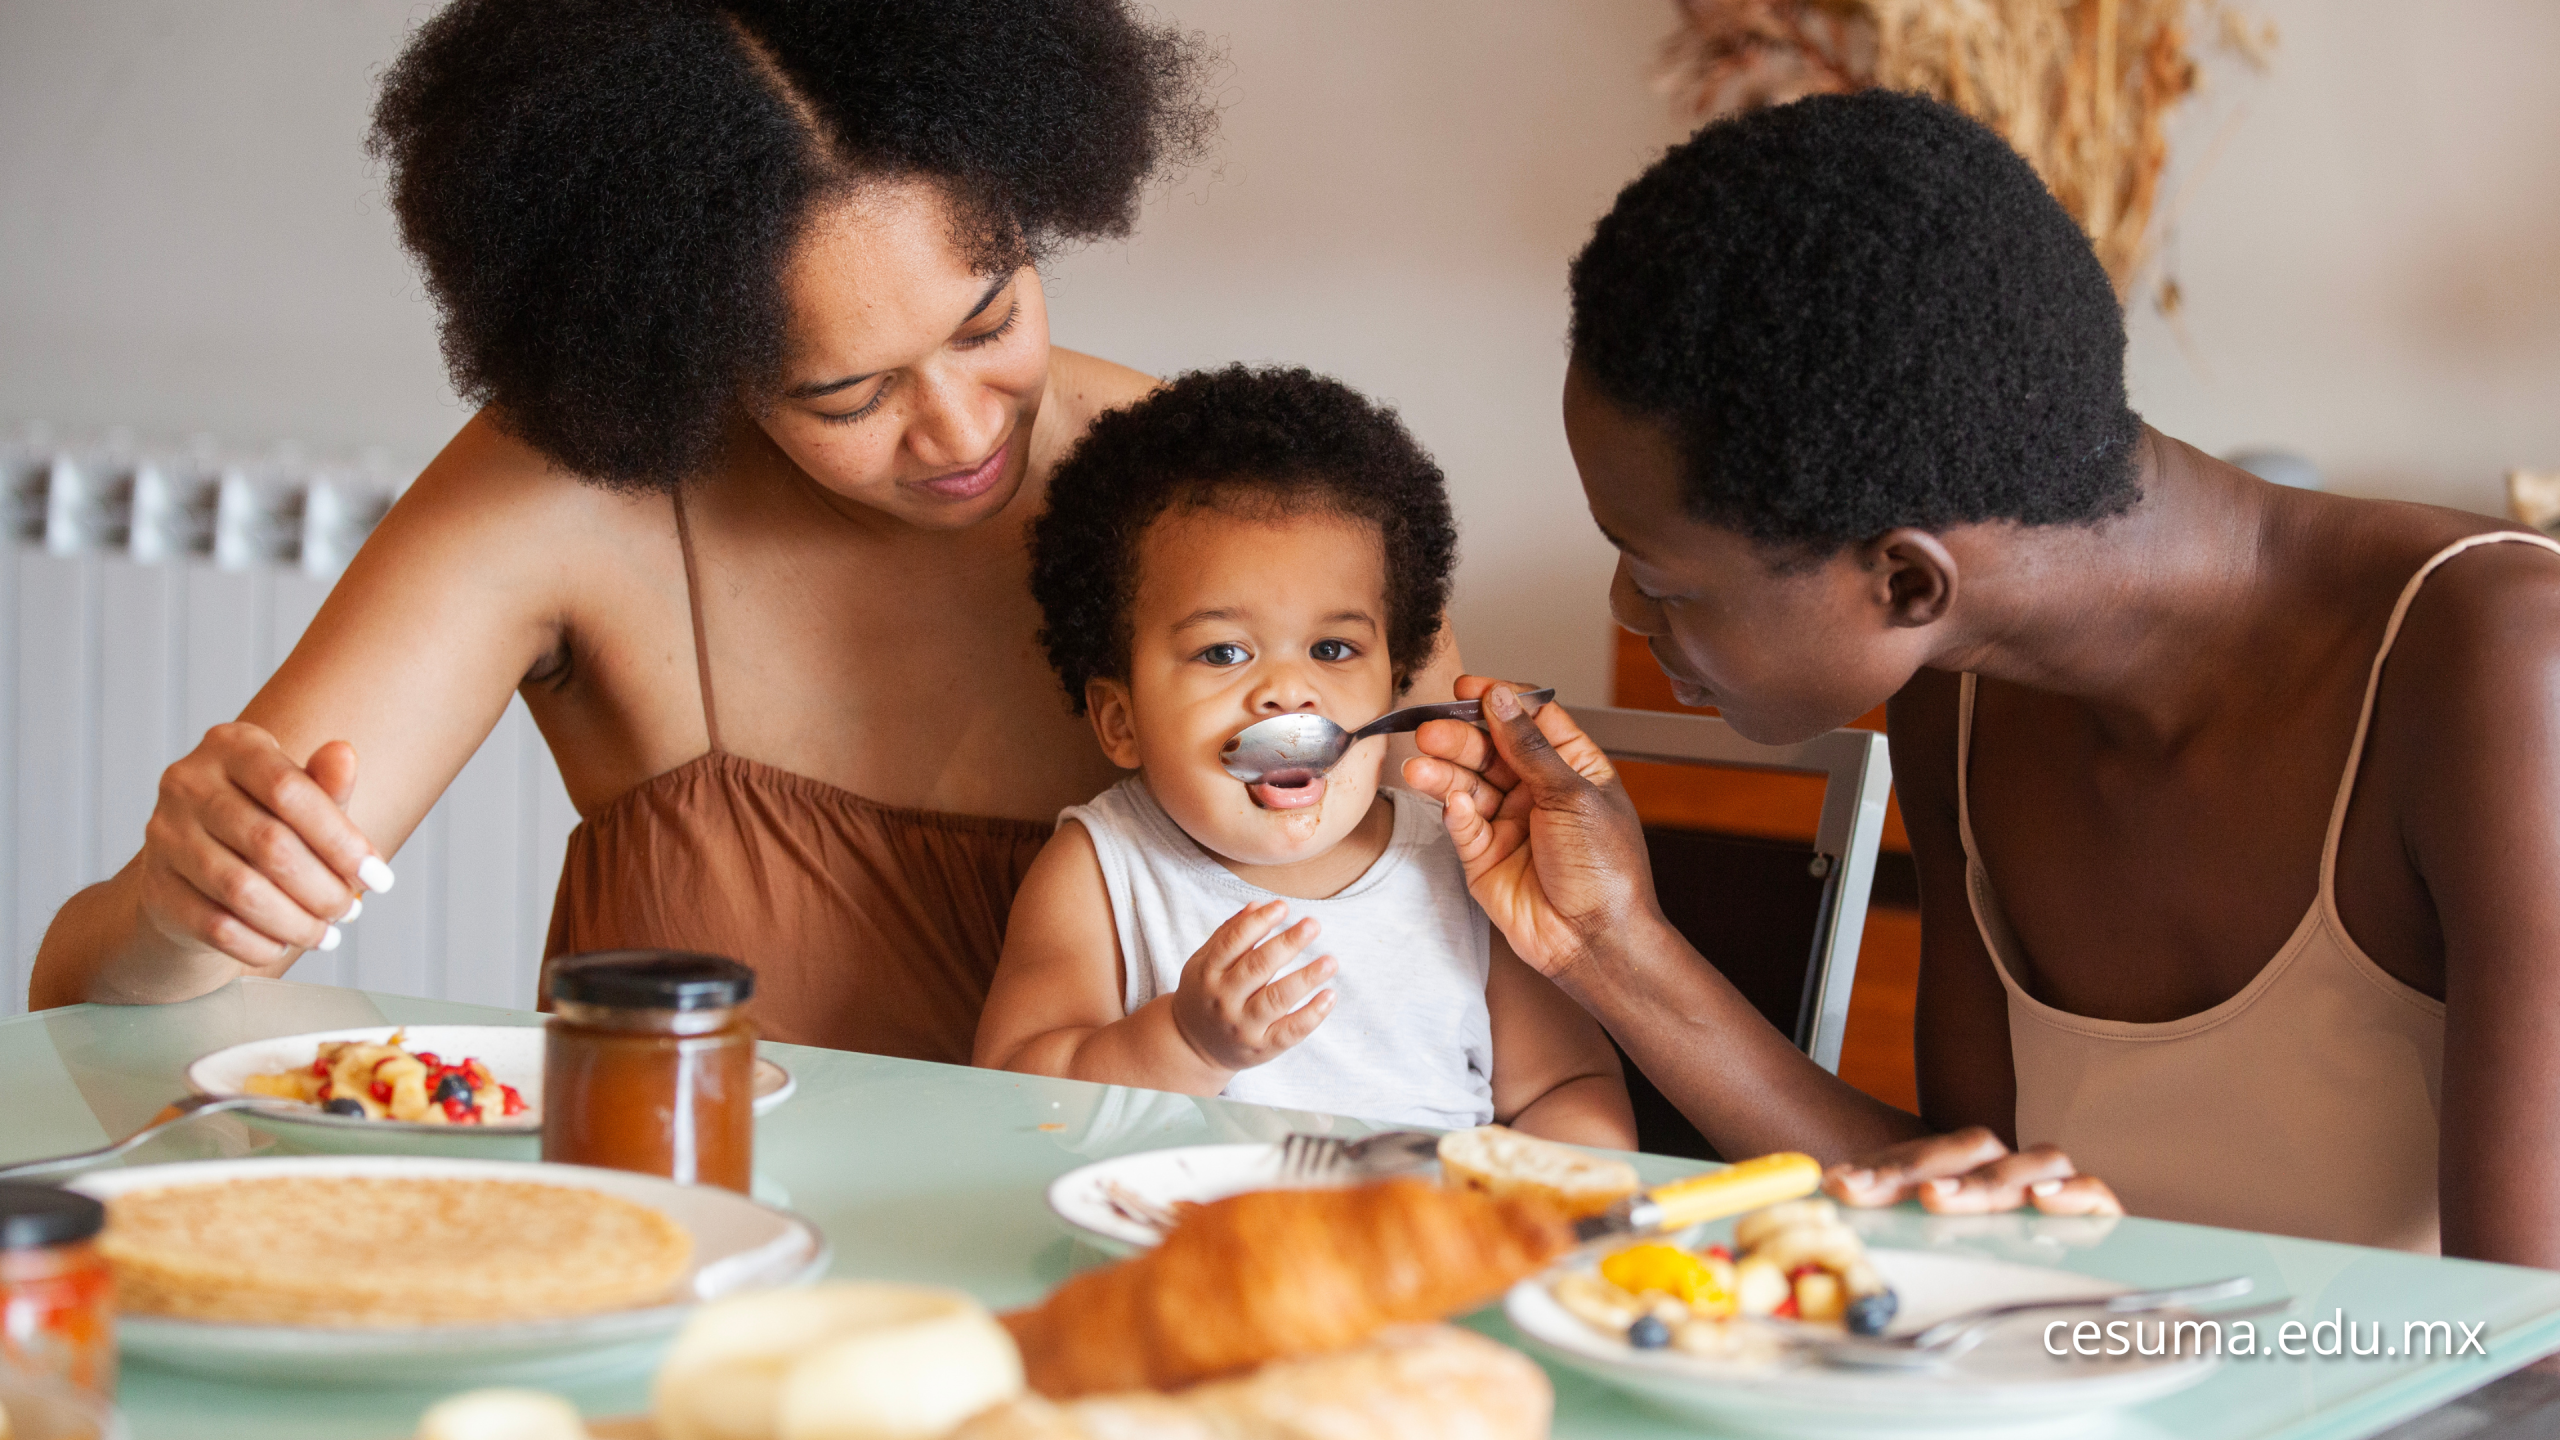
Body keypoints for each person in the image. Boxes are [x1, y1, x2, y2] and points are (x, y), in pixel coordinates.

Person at [1401, 91, 2560, 1263]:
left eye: (1667, 580)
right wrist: (1608, 943)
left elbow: (2530, 1353)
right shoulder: (1954, 687)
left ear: (1905, 583)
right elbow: (1973, 1213)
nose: (1623, 607)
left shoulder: (2502, 671)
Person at [28, 0, 1263, 1064]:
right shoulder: (568, 497)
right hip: (667, 1289)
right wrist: (179, 911)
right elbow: (95, 1012)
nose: (954, 432)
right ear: (682, 356)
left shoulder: (1222, 497)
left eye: (989, 323)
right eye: (848, 395)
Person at [974, 367, 1635, 1145]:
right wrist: (1184, 1044)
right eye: (1223, 652)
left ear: (1391, 691)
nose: (1289, 691)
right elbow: (1013, 1099)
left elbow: (1572, 1089)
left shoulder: (1464, 863)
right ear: (1120, 721)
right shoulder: (1103, 868)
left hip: (1427, 1248)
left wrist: (1524, 1204)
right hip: (1185, 1248)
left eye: (1332, 648)